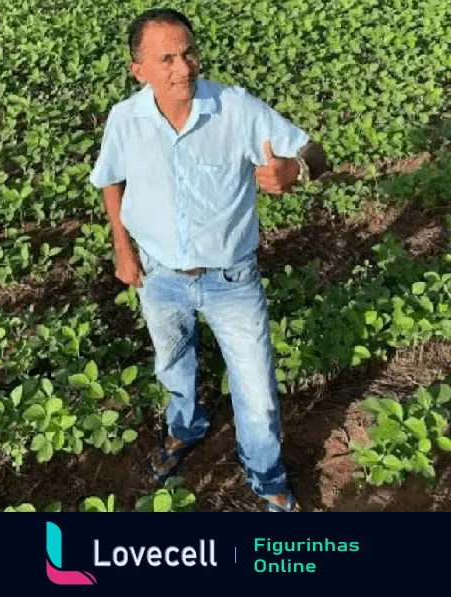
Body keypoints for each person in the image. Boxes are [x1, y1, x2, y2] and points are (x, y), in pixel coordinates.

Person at [89, 8, 329, 512]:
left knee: (257, 390)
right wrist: (122, 248)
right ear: (140, 72)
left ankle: (267, 477)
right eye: (167, 58)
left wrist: (296, 171)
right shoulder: (125, 120)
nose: (185, 67)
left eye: (190, 52)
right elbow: (112, 180)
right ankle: (186, 426)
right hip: (158, 277)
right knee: (173, 363)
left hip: (231, 279)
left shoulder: (235, 108)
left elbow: (314, 151)